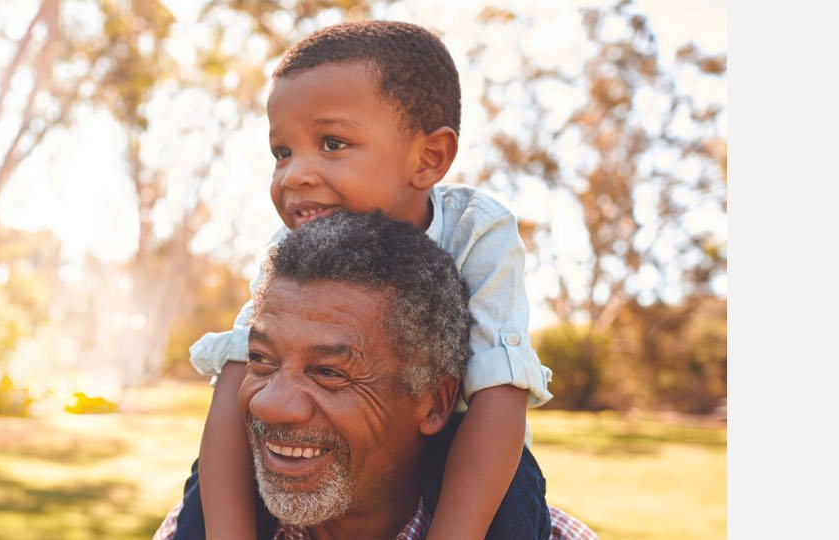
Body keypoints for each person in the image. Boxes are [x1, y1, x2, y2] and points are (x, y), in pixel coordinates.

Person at [175, 21, 555, 539]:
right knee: (217, 473)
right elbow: (238, 375)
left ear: (429, 158)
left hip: (460, 453)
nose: (294, 175)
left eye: (332, 143)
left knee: (515, 481)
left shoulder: (476, 229)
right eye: (282, 152)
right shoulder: (289, 252)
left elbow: (500, 389)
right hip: (316, 462)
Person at [157, 212, 577, 540]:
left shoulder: (481, 230)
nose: (269, 403)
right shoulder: (191, 528)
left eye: (328, 372)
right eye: (262, 361)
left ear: (434, 403)